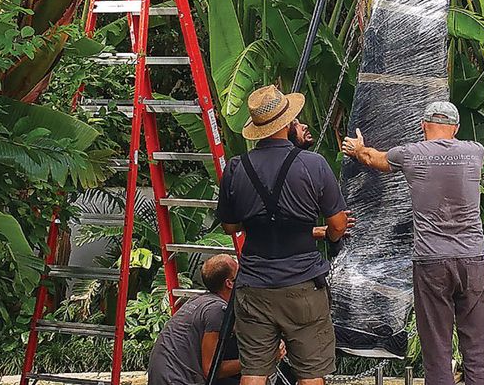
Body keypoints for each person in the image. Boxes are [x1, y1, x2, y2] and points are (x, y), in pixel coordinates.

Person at [340, 101, 484, 385]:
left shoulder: (411, 154)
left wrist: (358, 149)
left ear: (423, 126)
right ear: (456, 128)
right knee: (478, 352)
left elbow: (375, 159)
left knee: (437, 351)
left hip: (431, 262)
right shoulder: (475, 151)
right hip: (472, 260)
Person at [215, 85, 350, 385]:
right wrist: (326, 233)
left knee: (253, 372)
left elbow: (230, 227)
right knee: (311, 373)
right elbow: (339, 224)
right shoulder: (313, 164)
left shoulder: (237, 168)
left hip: (254, 285)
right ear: (288, 123)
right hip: (302, 285)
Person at [148, 255, 242, 385]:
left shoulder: (198, 300)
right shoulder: (216, 310)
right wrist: (258, 361)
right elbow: (210, 370)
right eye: (240, 273)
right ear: (229, 283)